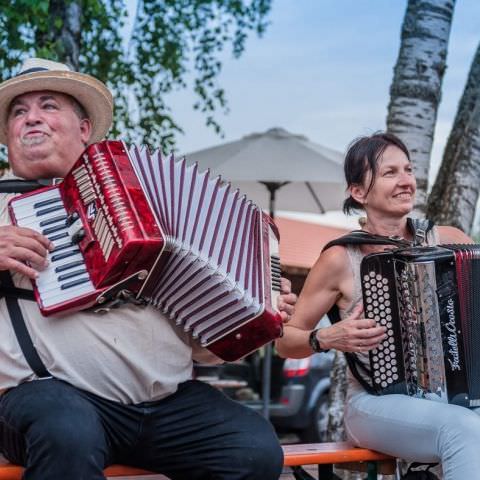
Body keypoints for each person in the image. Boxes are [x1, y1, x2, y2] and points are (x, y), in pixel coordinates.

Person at [0, 58, 297, 480]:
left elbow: (203, 349)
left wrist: (256, 315)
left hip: (163, 404)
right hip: (50, 399)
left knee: (253, 449)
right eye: (18, 110)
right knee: (67, 431)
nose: (32, 117)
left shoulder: (146, 208)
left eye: (48, 105)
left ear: (84, 129)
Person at [276, 132, 480, 480]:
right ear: (358, 192)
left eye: (408, 170)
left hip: (454, 397)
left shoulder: (449, 240)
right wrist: (327, 337)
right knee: (461, 427)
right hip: (374, 403)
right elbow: (285, 341)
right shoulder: (341, 258)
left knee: (462, 422)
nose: (406, 182)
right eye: (390, 173)